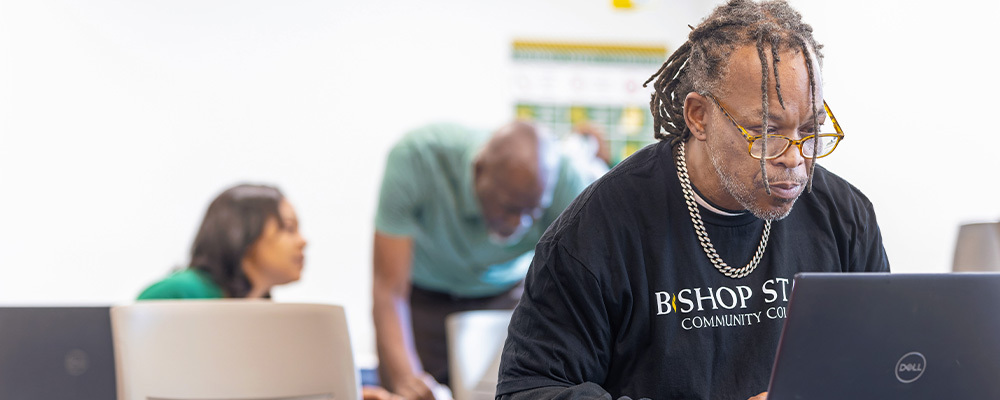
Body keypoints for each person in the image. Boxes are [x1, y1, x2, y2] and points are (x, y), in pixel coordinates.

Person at [496, 1, 890, 400]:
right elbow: (528, 390)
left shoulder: (844, 217)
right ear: (699, 116)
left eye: (810, 130)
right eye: (766, 132)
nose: (794, 158)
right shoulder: (595, 232)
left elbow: (884, 364)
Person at [372, 121, 593, 400]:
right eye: (508, 208)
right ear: (478, 172)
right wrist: (407, 381)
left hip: (507, 297)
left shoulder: (567, 182)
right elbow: (389, 290)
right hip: (421, 301)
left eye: (532, 212)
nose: (518, 224)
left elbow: (582, 294)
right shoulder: (416, 158)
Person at [138, 183, 402, 400]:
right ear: (241, 232)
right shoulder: (180, 293)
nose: (303, 241)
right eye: (288, 228)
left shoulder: (266, 315)